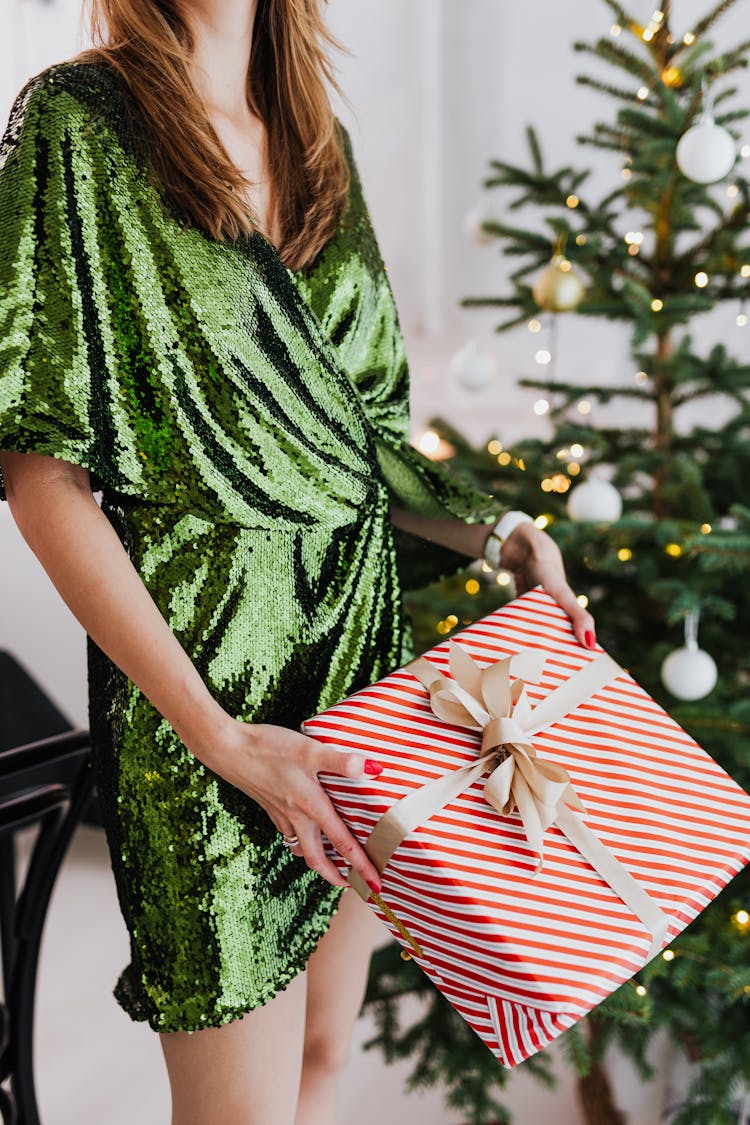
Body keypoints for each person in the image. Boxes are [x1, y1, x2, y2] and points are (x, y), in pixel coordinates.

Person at [0, 1, 596, 1122]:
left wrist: (506, 533)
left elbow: (361, 436)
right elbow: (42, 476)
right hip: (210, 700)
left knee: (325, 1055)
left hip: (361, 680)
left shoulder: (313, 131)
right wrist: (216, 737)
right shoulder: (81, 124)